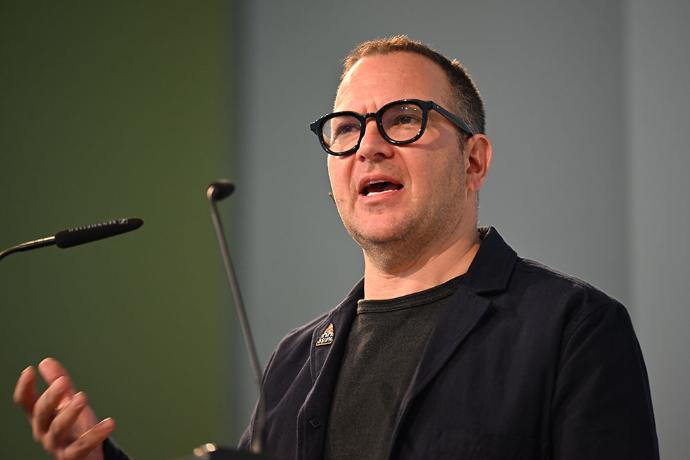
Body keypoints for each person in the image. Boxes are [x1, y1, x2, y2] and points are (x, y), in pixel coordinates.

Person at [14, 36, 659, 460]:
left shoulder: (572, 328)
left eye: (403, 118)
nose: (369, 146)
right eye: (347, 128)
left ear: (473, 161)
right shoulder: (295, 362)